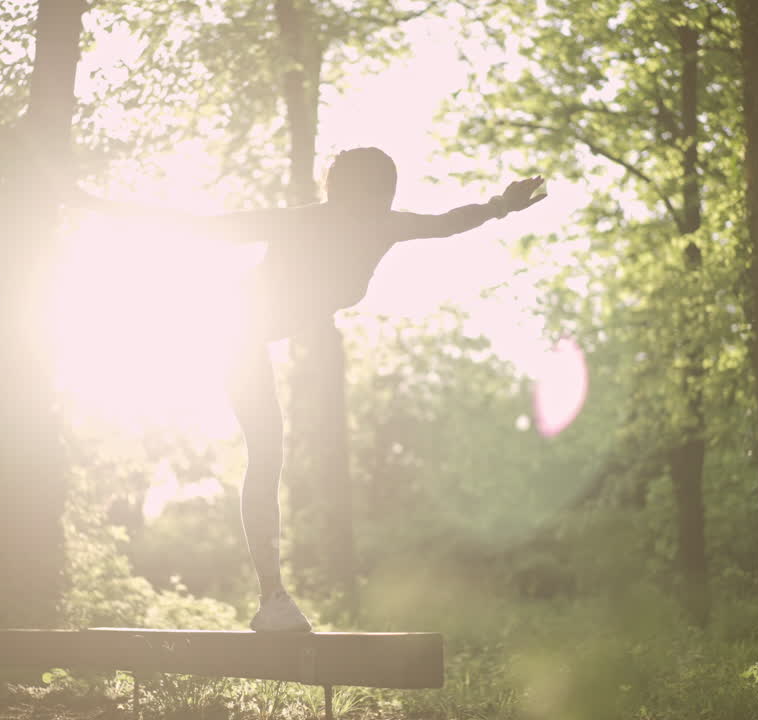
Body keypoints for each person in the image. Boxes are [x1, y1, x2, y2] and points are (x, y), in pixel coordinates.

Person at [76, 147, 546, 631]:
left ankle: (271, 602)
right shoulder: (300, 221)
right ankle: (273, 599)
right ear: (337, 193)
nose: (370, 210)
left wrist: (500, 206)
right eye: (362, 199)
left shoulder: (384, 225)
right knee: (266, 455)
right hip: (229, 323)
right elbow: (202, 227)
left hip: (244, 332)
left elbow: (447, 223)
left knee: (268, 455)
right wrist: (89, 201)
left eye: (381, 199)